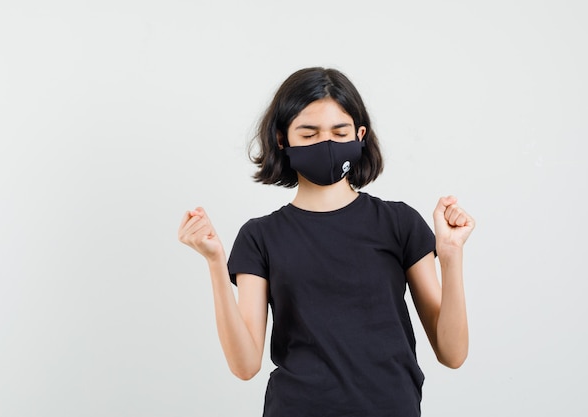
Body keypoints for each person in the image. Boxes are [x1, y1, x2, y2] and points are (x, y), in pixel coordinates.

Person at [178, 67, 475, 417]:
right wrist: (215, 262)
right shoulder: (260, 237)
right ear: (281, 139)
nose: (327, 144)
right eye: (309, 133)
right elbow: (245, 366)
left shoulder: (399, 223)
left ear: (360, 135)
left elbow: (452, 353)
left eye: (339, 131)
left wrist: (451, 256)